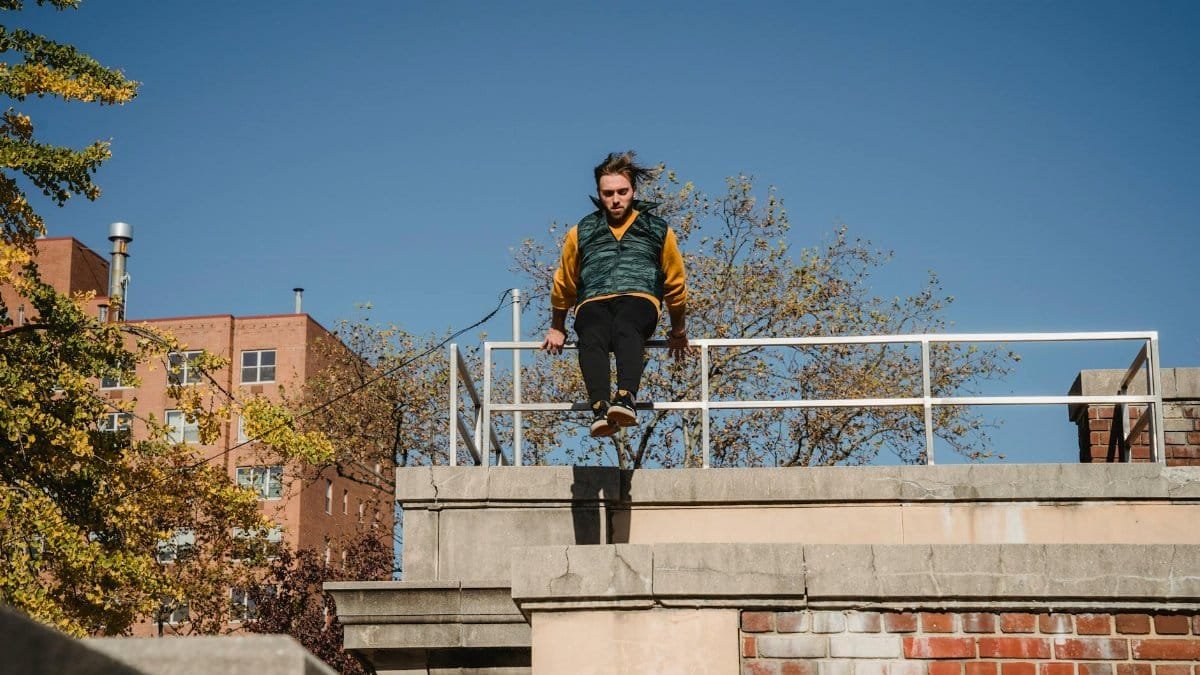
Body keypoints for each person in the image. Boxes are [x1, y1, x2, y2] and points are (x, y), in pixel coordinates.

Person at [540, 151, 690, 438]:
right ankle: (600, 408)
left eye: (622, 192)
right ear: (599, 194)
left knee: (625, 323)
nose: (616, 199)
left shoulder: (657, 229)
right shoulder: (581, 231)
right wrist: (557, 326)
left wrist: (678, 331)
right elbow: (564, 282)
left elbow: (675, 283)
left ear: (633, 191)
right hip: (593, 299)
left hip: (639, 296)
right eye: (608, 194)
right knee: (591, 329)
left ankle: (625, 398)